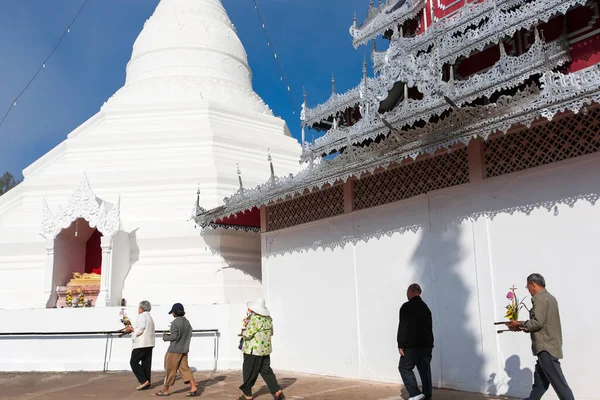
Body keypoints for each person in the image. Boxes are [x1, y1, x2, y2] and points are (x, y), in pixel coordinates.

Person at [507, 273, 575, 400]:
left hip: (546, 348)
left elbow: (537, 323)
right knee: (540, 384)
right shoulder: (550, 298)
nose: (529, 290)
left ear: (533, 284)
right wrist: (521, 326)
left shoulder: (540, 298)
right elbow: (541, 323)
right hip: (549, 346)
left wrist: (520, 324)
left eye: (528, 287)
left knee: (560, 385)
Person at [239, 297, 285, 400]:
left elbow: (247, 335)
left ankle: (247, 395)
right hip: (265, 350)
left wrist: (245, 329)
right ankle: (277, 391)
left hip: (253, 351)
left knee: (249, 372)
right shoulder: (269, 319)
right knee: (266, 371)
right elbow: (271, 332)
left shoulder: (255, 320)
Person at [397, 283, 434, 400]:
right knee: (425, 370)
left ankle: (415, 394)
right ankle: (427, 395)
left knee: (404, 367)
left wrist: (400, 344)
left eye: (407, 292)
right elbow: (429, 327)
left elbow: (403, 325)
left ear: (411, 292)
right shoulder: (426, 308)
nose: (407, 295)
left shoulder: (406, 307)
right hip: (427, 345)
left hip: (412, 346)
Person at [156, 303, 199, 397]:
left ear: (175, 312)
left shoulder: (175, 322)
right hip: (184, 350)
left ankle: (165, 390)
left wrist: (165, 337)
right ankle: (193, 387)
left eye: (172, 312)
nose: (172, 314)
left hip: (174, 351)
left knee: (170, 370)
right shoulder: (187, 322)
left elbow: (174, 336)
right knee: (185, 369)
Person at [125, 300, 155, 390]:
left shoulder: (141, 316)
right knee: (146, 363)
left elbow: (140, 329)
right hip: (149, 343)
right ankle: (147, 382)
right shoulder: (150, 317)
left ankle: (143, 380)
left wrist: (132, 330)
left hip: (141, 344)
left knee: (133, 362)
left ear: (141, 309)